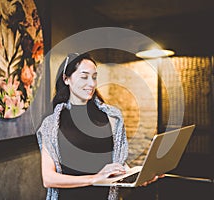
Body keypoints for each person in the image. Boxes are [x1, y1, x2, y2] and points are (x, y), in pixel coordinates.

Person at [36, 53, 160, 200]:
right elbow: (49, 178)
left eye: (94, 77)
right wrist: (94, 178)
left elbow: (118, 163)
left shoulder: (113, 117)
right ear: (66, 79)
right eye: (84, 77)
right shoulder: (51, 124)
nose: (92, 83)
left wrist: (137, 177)